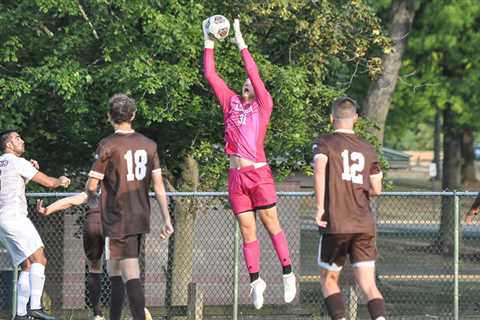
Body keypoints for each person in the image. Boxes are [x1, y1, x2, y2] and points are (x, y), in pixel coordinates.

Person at [203, 18, 296, 309]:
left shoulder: (263, 105)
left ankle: (287, 272)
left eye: (249, 84)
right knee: (247, 230)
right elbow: (210, 73)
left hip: (258, 174)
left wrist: (240, 41)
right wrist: (208, 39)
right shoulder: (230, 102)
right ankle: (256, 282)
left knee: (270, 222)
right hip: (236, 177)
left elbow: (253, 73)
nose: (245, 86)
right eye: (243, 84)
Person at [85, 93, 173, 320]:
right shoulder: (149, 145)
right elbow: (159, 186)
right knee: (115, 270)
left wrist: (91, 196)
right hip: (140, 215)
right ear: (133, 115)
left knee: (130, 272)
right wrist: (167, 219)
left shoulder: (108, 144)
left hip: (118, 216)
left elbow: (92, 184)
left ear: (109, 117)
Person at [312, 97, 386, 320]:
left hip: (337, 222)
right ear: (356, 119)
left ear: (331, 118)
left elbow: (319, 170)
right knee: (368, 285)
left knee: (329, 279)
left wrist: (319, 207)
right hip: (363, 223)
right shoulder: (367, 147)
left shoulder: (324, 143)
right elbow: (376, 188)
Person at [0, 130, 70, 320]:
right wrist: (61, 181)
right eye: (17, 138)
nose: (22, 140)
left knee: (27, 265)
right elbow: (48, 182)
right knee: (40, 259)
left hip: (2, 223)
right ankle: (36, 307)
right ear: (8, 145)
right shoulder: (17, 162)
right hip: (15, 217)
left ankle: (21, 314)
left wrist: (28, 169)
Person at [36, 192, 106, 320]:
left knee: (95, 268)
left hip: (94, 223)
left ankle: (97, 314)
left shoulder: (94, 187)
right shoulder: (122, 183)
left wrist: (48, 209)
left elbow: (71, 200)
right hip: (114, 224)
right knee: (122, 268)